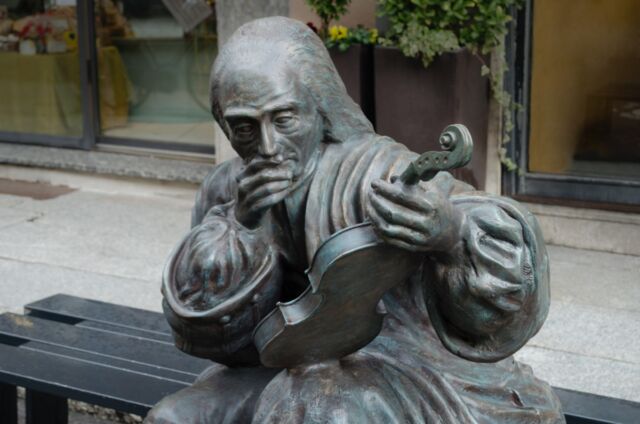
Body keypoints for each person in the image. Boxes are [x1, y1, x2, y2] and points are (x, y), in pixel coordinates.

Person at [146, 17, 564, 424]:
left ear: (319, 108)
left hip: (398, 367)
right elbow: (202, 334)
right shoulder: (225, 192)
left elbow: (509, 274)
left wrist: (450, 233)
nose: (268, 146)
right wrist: (244, 228)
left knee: (316, 408)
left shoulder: (377, 171)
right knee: (172, 417)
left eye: (284, 118)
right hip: (279, 363)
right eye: (244, 128)